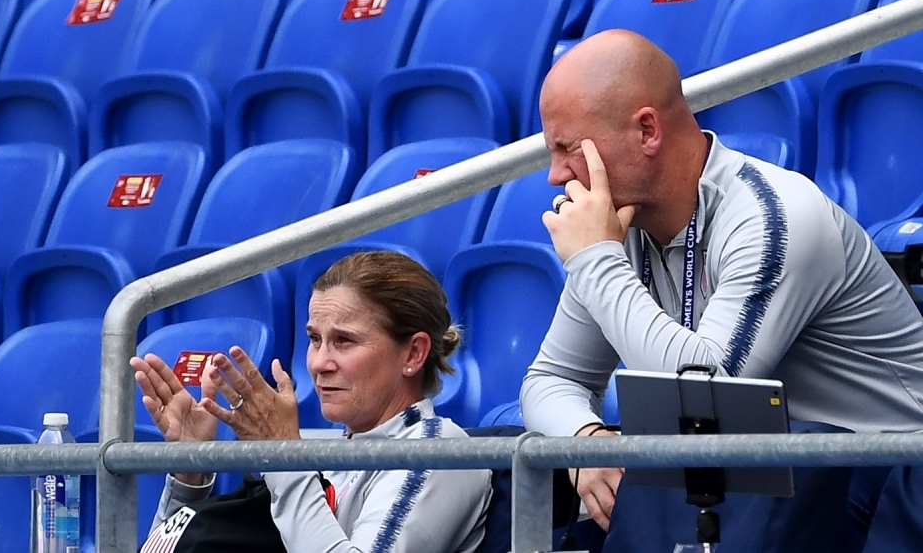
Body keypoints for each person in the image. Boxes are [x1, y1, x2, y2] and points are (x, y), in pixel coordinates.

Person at [520, 28, 923, 533]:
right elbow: (549, 379)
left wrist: (597, 260)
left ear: (647, 130)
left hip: (889, 480)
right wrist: (584, 439)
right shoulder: (614, 230)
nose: (556, 176)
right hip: (762, 481)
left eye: (568, 148)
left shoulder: (774, 214)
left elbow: (704, 398)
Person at [132, 250, 492, 552]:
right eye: (314, 339)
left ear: (413, 353)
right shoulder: (325, 451)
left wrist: (282, 457)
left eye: (344, 341)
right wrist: (189, 475)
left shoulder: (440, 453)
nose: (319, 363)